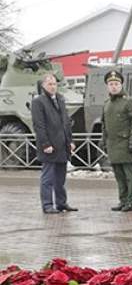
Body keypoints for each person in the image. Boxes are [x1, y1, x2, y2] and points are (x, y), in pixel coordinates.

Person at [31, 73, 76, 214]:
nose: (53, 86)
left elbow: (66, 123)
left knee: (60, 178)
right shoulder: (38, 101)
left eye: (55, 84)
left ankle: (61, 203)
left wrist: (70, 141)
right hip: (49, 146)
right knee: (48, 178)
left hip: (62, 145)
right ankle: (47, 205)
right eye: (49, 84)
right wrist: (45, 144)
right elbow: (39, 125)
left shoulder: (60, 99)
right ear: (43, 85)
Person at [101, 70, 132, 212]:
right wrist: (103, 140)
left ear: (121, 85)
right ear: (107, 86)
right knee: (119, 175)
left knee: (129, 175)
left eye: (116, 84)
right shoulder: (106, 104)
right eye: (111, 84)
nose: (113, 86)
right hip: (112, 145)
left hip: (126, 145)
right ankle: (123, 200)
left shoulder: (129, 102)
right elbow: (104, 124)